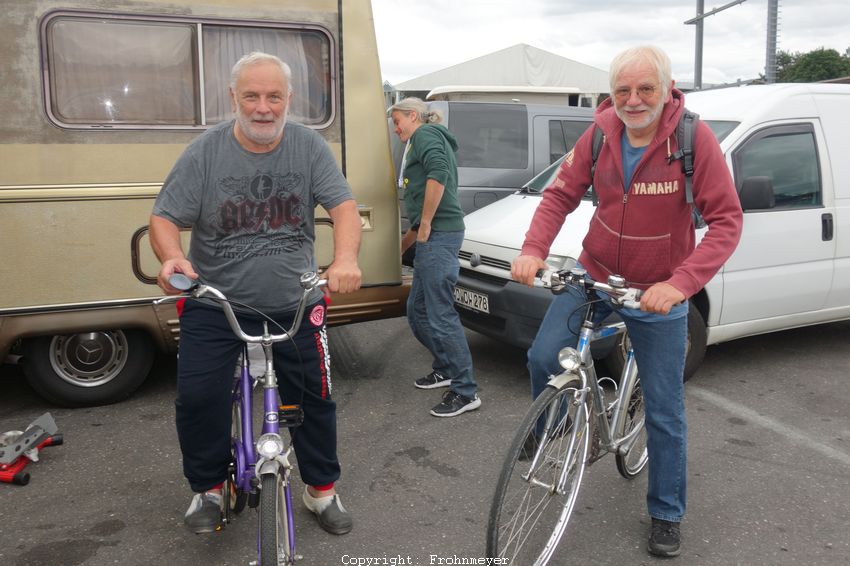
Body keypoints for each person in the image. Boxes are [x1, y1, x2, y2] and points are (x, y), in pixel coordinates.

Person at [511, 45, 743, 557]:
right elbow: (558, 196)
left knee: (664, 411)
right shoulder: (599, 134)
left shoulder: (692, 139)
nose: (633, 100)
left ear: (666, 89)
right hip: (595, 272)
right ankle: (558, 427)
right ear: (610, 94)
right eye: (622, 91)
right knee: (543, 355)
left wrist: (681, 283)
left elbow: (727, 222)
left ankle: (665, 511)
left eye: (645, 89)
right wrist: (533, 249)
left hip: (659, 290)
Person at [150, 51, 361, 536]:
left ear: (288, 99)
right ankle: (209, 487)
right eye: (252, 96)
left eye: (273, 96)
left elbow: (344, 208)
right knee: (199, 397)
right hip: (216, 303)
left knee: (315, 397)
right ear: (234, 98)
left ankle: (321, 490)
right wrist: (171, 256)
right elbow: (164, 217)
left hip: (296, 300)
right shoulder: (206, 152)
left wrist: (344, 259)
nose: (262, 107)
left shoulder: (308, 147)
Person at [389, 98, 481, 417]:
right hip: (434, 235)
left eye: (398, 120)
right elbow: (417, 215)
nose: (396, 127)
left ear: (413, 116)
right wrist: (401, 248)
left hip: (440, 236)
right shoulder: (422, 139)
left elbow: (438, 174)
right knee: (417, 311)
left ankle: (465, 390)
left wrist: (427, 222)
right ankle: (445, 367)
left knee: (440, 315)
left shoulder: (425, 136)